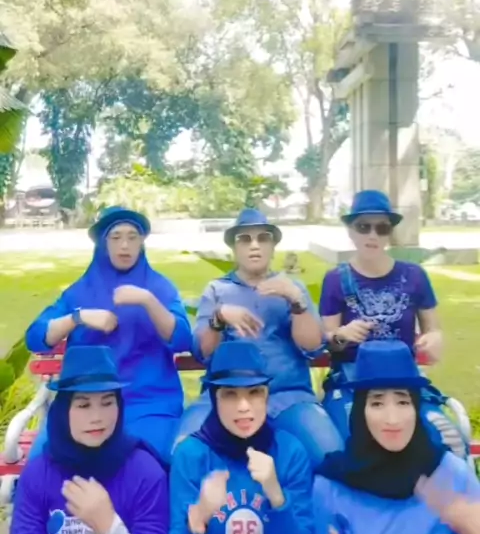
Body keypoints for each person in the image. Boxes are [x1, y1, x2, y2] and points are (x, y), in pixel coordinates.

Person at [145, 339, 327, 534]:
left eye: (254, 393)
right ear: (214, 398)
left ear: (267, 395)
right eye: (230, 394)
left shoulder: (288, 451)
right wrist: (199, 518)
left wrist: (276, 496)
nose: (244, 406)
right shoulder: (193, 454)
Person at [309, 339, 480, 534]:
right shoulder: (332, 483)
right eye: (377, 403)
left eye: (402, 402)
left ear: (416, 406)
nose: (392, 419)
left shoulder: (449, 472)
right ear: (360, 410)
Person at [0, 345, 169, 534]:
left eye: (107, 402)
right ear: (63, 409)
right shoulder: (40, 471)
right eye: (83, 404)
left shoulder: (145, 472)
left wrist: (109, 529)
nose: (97, 417)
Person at [175, 208, 343, 470]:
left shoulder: (292, 288)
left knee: (330, 454)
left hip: (288, 395)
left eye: (263, 238)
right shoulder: (217, 290)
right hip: (226, 395)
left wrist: (296, 302)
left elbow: (312, 347)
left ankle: (301, 497)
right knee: (182, 452)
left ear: (273, 247)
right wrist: (219, 317)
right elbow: (203, 353)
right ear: (234, 248)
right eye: (244, 239)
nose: (254, 245)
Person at [25, 206, 192, 464]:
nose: (125, 245)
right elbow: (36, 338)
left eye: (132, 237)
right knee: (42, 464)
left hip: (147, 403)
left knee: (147, 462)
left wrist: (149, 301)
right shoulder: (79, 292)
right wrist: (78, 317)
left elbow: (182, 340)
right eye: (116, 237)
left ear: (142, 243)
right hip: (83, 402)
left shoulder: (160, 288)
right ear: (103, 244)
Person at [319, 189, 464, 453]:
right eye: (363, 227)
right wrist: (342, 334)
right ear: (351, 231)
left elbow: (433, 329)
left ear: (390, 232)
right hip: (353, 379)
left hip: (403, 380)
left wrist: (433, 339)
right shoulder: (336, 279)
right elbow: (328, 340)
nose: (372, 235)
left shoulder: (414, 275)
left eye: (382, 228)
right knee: (347, 445)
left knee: (446, 439)